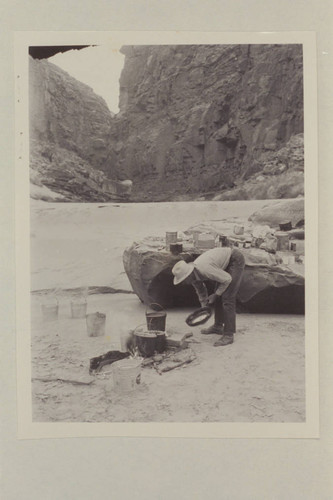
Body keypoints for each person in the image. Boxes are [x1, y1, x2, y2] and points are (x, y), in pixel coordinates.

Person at [172, 247, 245, 346]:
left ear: (188, 275)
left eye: (183, 280)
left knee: (227, 298)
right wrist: (204, 308)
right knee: (219, 294)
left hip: (234, 259)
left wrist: (216, 295)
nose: (184, 283)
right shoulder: (193, 276)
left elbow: (227, 279)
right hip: (223, 262)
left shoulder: (204, 269)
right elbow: (201, 292)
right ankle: (218, 326)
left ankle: (229, 335)